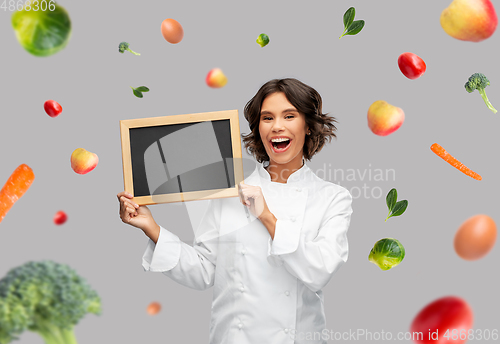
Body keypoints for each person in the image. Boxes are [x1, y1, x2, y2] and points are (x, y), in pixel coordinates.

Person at [117, 78, 353, 344]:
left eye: (289, 116)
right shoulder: (229, 192)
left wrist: (266, 215)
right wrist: (152, 228)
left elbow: (318, 272)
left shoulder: (332, 198)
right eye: (267, 118)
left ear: (308, 126)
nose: (277, 126)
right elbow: (205, 270)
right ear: (258, 128)